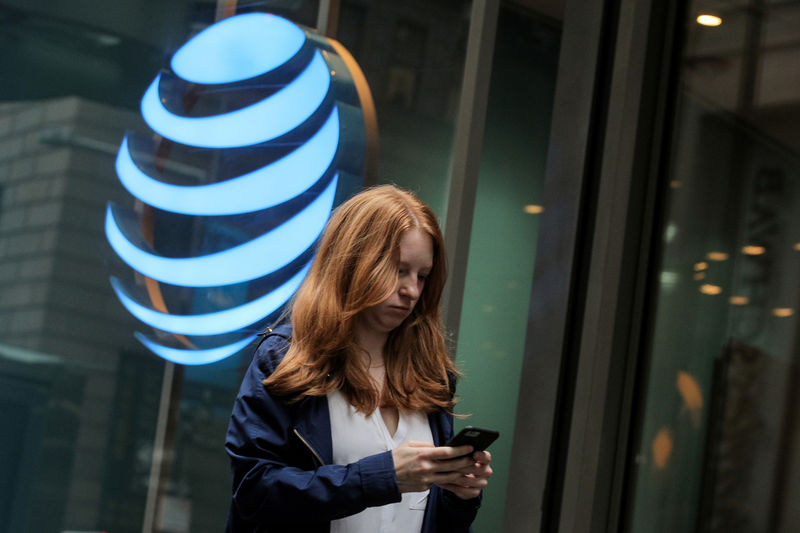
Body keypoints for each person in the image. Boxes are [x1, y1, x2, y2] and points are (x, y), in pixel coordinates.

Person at [225, 185, 493, 532]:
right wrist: (383, 476)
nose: (411, 289)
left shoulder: (432, 378)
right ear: (354, 261)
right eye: (398, 270)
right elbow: (254, 491)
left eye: (422, 276)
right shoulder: (286, 358)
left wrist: (461, 496)